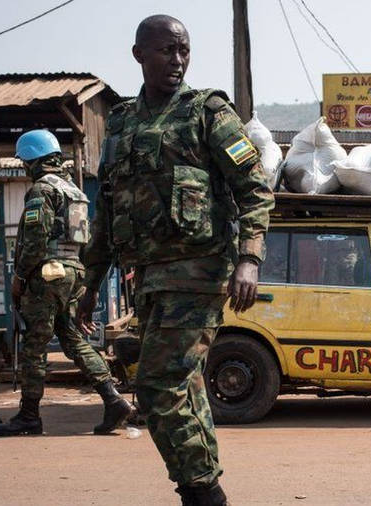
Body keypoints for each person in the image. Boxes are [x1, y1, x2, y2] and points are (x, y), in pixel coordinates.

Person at [75, 15, 273, 506]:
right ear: (139, 54)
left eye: (184, 50)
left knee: (158, 385)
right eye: (167, 50)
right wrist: (90, 284)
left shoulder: (208, 112)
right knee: (184, 388)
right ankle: (201, 490)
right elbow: (107, 210)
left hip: (200, 274)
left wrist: (249, 259)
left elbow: (255, 190)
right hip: (150, 281)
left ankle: (204, 494)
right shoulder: (121, 121)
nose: (178, 61)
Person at [0, 130, 133, 437]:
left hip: (46, 276)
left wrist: (19, 278)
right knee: (72, 339)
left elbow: (36, 240)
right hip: (73, 273)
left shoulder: (42, 190)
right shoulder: (75, 191)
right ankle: (113, 399)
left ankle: (29, 416)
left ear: (32, 161)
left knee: (34, 344)